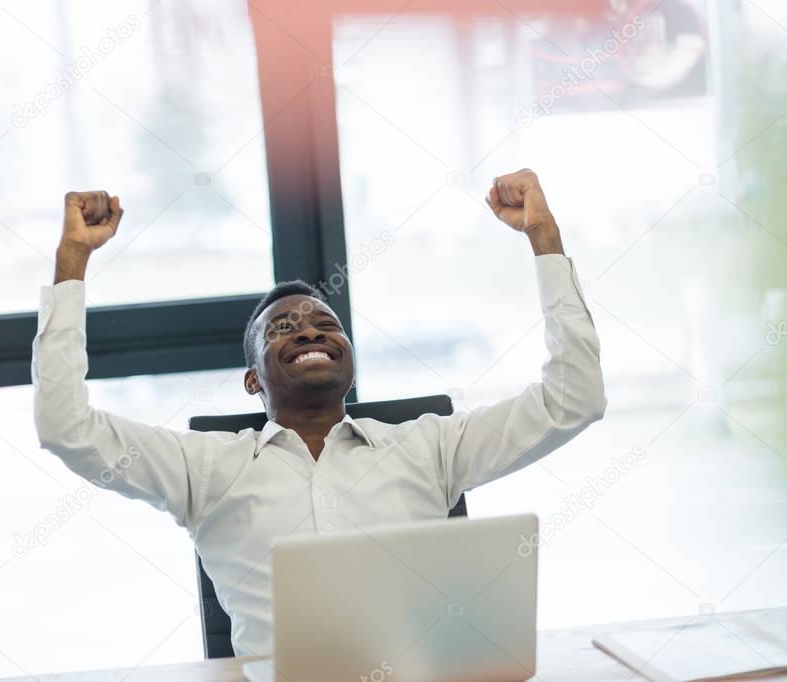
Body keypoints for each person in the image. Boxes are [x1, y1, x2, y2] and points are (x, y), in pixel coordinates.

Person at [32, 169, 606, 657]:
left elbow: (573, 398)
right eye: (282, 328)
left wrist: (543, 236)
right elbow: (66, 426)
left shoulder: (429, 447)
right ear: (253, 377)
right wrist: (72, 261)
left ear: (349, 360)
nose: (308, 327)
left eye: (326, 324)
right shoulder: (201, 467)